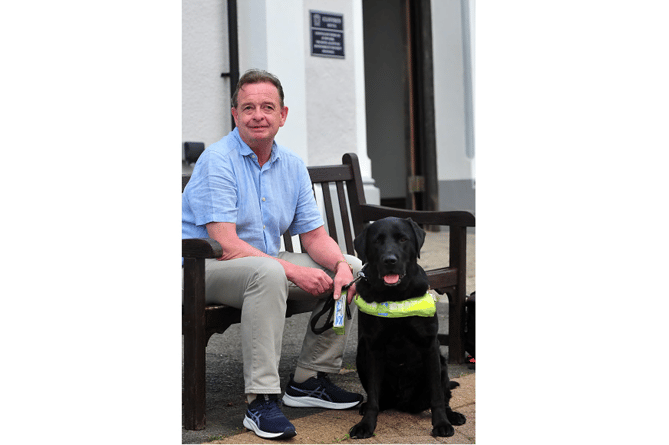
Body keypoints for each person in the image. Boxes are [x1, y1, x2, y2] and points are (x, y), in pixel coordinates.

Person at [182, 69, 363, 440]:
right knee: (269, 273)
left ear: (283, 115)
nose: (258, 115)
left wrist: (341, 265)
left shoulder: (292, 165)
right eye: (248, 107)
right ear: (235, 115)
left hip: (260, 263)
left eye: (268, 107)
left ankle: (310, 378)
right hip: (205, 267)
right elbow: (225, 244)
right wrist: (293, 272)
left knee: (353, 269)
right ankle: (261, 399)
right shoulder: (218, 161)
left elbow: (313, 235)